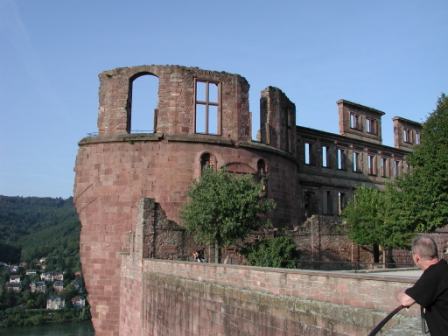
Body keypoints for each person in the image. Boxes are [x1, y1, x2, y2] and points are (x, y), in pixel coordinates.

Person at [397, 236, 448, 335]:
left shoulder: (433, 274)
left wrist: (399, 293)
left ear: (417, 258)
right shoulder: (444, 267)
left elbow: (406, 300)